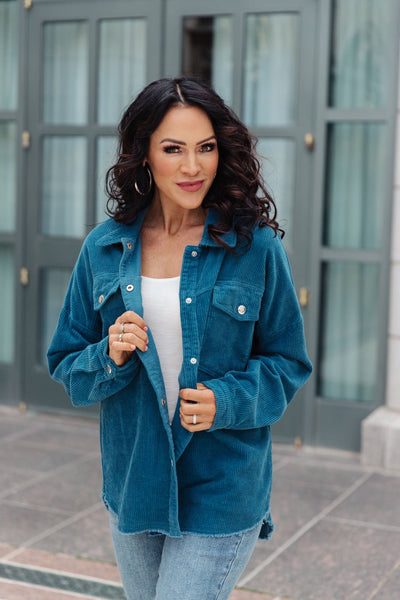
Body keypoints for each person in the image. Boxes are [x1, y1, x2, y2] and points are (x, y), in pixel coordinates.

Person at [48, 77, 312, 600]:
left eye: (205, 148)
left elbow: (288, 362)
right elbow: (66, 363)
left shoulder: (254, 247)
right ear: (144, 153)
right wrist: (109, 354)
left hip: (222, 485)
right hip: (135, 480)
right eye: (173, 149)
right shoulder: (104, 248)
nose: (193, 167)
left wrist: (226, 400)